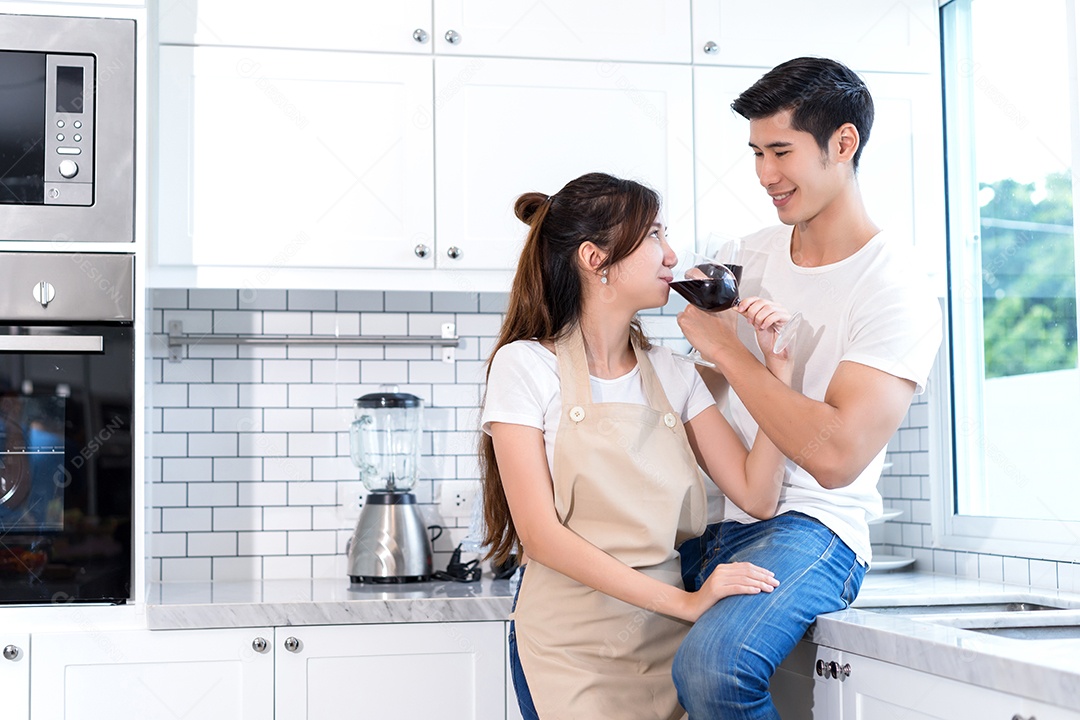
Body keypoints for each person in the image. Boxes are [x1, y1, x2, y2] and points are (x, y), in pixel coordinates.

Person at [672, 57, 943, 718]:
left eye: (782, 151)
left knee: (714, 667)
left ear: (843, 144)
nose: (766, 174)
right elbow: (702, 390)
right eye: (757, 152)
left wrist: (727, 354)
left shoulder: (895, 285)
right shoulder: (749, 253)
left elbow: (834, 456)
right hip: (722, 514)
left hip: (815, 528)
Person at [479, 172, 794, 719]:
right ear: (593, 258)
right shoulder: (526, 366)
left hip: (663, 638)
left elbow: (757, 495)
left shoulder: (674, 374)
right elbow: (540, 535)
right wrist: (688, 603)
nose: (672, 255)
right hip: (570, 647)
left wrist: (778, 372)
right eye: (652, 235)